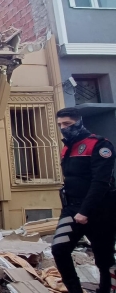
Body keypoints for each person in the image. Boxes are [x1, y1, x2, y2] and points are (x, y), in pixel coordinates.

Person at [52, 107, 116, 293]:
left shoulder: (100, 145)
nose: (63, 128)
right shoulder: (67, 148)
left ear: (79, 122)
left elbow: (101, 182)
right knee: (59, 249)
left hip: (100, 210)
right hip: (72, 208)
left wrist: (85, 211)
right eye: (60, 125)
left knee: (104, 259)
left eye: (67, 124)